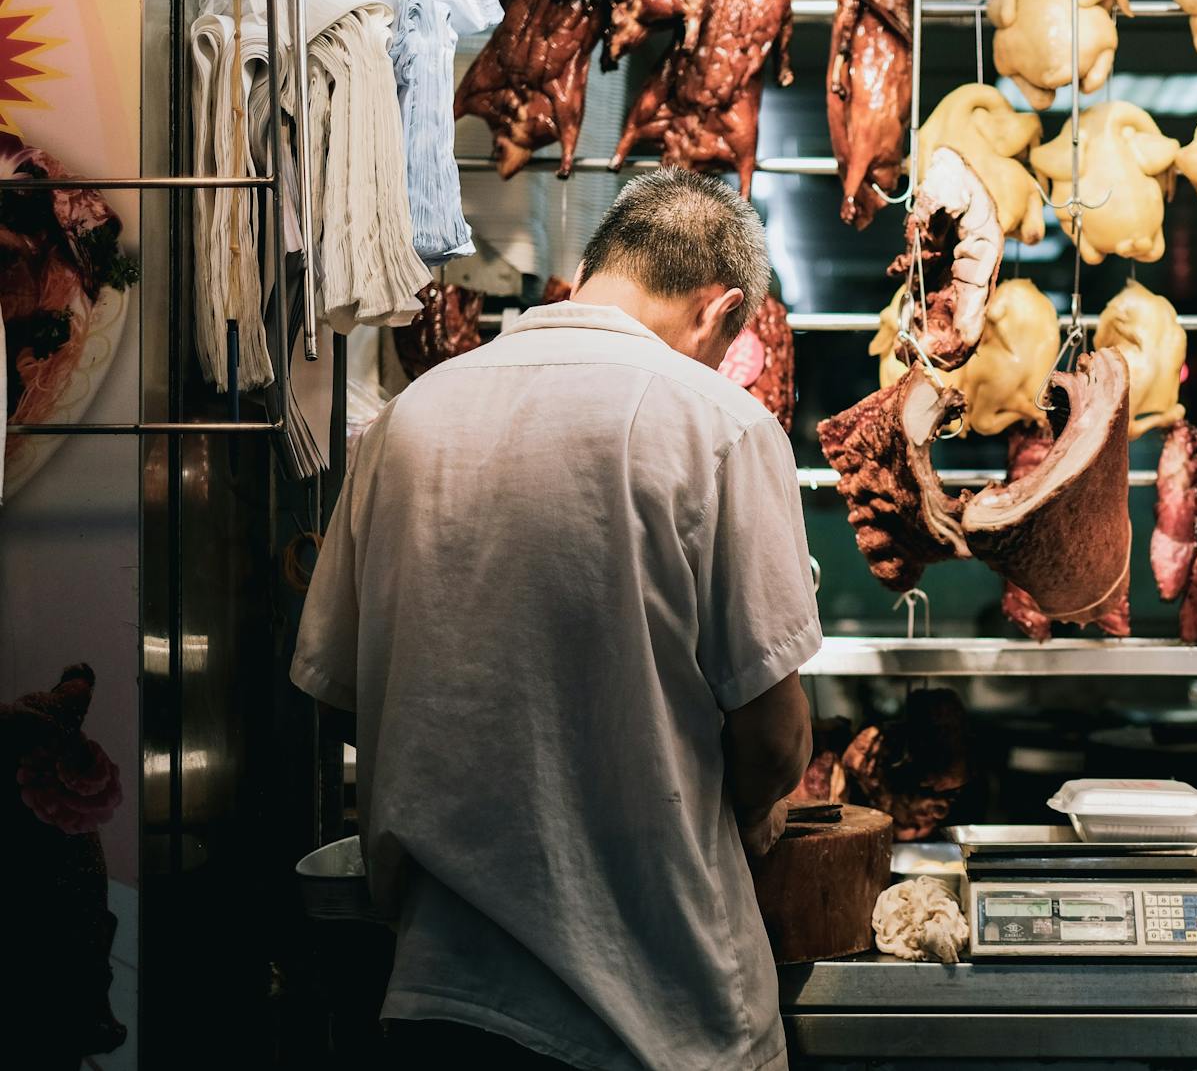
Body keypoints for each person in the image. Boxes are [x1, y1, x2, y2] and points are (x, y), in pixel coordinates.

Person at [291, 169, 818, 1070]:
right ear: (718, 310)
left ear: (596, 267)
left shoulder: (405, 423)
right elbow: (773, 739)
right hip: (658, 1015)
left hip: (438, 1001)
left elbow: (339, 697)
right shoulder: (720, 426)